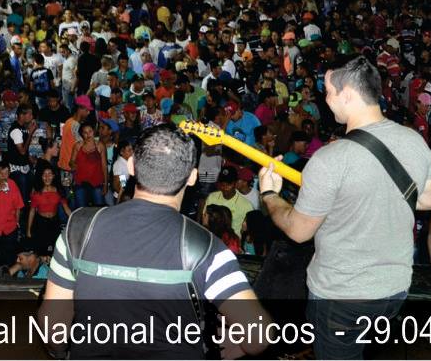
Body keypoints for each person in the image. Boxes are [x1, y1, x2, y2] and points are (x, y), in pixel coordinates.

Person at [258, 56, 431, 360]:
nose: (326, 99)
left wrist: (269, 195)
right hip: (394, 290)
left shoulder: (330, 159)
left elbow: (299, 231)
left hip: (340, 298)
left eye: (329, 92)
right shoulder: (415, 141)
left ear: (348, 94)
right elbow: (430, 200)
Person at [38, 123, 269, 360]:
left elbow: (53, 325)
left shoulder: (78, 228)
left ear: (131, 166)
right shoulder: (208, 249)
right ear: (192, 177)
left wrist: (61, 354)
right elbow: (258, 337)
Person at [26, 166, 71, 256]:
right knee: (41, 249)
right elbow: (32, 211)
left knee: (56, 248)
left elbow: (66, 208)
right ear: (41, 176)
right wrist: (28, 229)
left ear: (53, 176)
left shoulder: (58, 190)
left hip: (54, 221)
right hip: (41, 222)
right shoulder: (36, 192)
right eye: (44, 175)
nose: (47, 177)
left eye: (49, 174)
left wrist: (74, 221)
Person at [200, 166, 254, 238]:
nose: (225, 188)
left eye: (228, 184)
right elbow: (204, 219)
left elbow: (250, 232)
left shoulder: (246, 205)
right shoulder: (212, 197)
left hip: (232, 243)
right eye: (222, 184)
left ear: (235, 184)